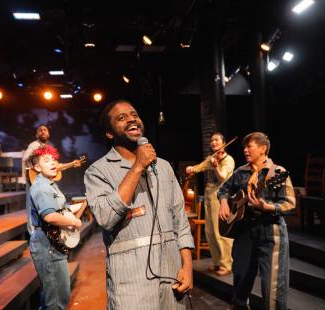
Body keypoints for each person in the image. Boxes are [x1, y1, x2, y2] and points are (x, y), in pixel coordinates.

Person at [84, 100, 194, 309]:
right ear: (109, 133)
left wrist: (187, 267)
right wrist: (137, 167)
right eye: (122, 118)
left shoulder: (163, 167)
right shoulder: (97, 171)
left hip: (172, 276)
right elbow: (106, 217)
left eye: (134, 114)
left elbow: (180, 221)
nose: (131, 119)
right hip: (131, 282)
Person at [218, 132, 295, 310]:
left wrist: (266, 206)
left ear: (263, 148)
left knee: (273, 287)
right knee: (240, 279)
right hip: (245, 231)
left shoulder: (278, 172)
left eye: (249, 146)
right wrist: (223, 202)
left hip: (270, 231)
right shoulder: (241, 172)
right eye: (244, 147)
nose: (245, 150)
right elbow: (224, 189)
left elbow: (290, 203)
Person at [28, 144, 83, 310]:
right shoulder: (42, 187)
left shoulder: (49, 184)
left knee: (52, 298)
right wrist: (74, 222)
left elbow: (58, 210)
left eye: (53, 159)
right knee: (56, 300)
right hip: (47, 246)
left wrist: (75, 208)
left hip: (51, 243)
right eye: (46, 160)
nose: (53, 163)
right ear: (37, 167)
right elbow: (50, 216)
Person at [185, 132, 235, 276]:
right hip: (209, 194)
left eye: (216, 140)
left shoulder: (228, 160)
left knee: (220, 230)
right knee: (210, 231)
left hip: (220, 196)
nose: (213, 142)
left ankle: (227, 264)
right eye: (212, 140)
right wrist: (191, 168)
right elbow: (200, 166)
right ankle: (217, 262)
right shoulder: (212, 158)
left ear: (223, 142)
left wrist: (215, 167)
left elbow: (222, 177)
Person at [23, 124, 81, 234]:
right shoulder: (34, 145)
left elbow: (57, 166)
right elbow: (26, 158)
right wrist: (35, 164)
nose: (43, 132)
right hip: (34, 178)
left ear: (48, 133)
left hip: (52, 236)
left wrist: (72, 164)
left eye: (45, 130)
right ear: (36, 134)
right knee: (33, 208)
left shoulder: (50, 148)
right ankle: (32, 232)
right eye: (40, 130)